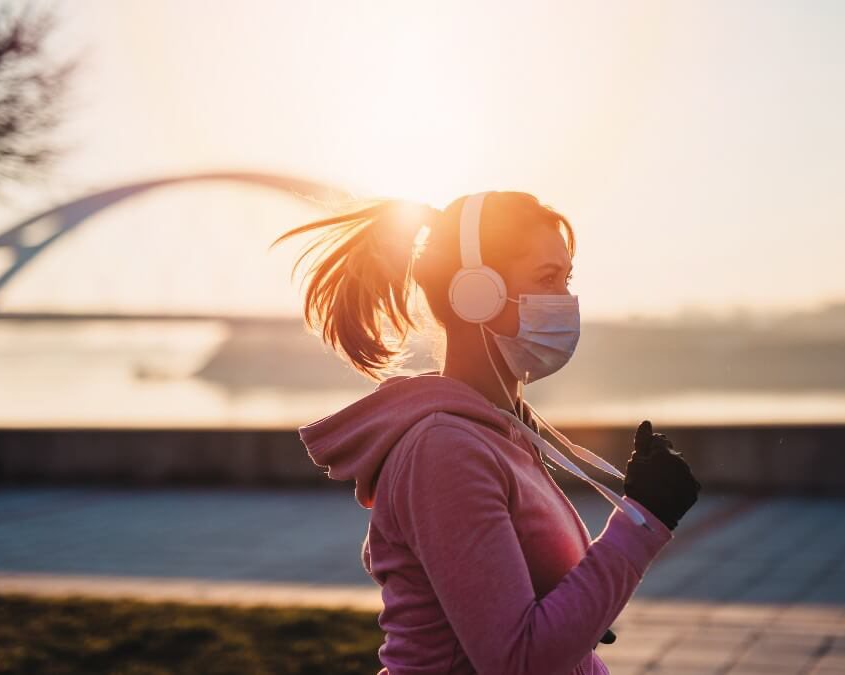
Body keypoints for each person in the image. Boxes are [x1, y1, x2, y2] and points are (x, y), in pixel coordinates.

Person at [270, 191, 701, 674]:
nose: (566, 300)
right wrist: (642, 524)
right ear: (476, 293)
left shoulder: (503, 430)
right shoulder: (445, 450)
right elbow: (518, 659)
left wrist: (583, 607)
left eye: (567, 278)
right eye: (546, 279)